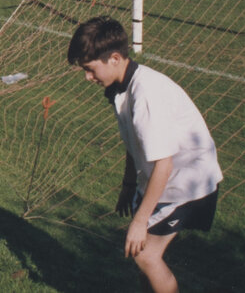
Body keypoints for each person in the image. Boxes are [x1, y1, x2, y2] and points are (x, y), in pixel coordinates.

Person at [67, 16, 222, 293]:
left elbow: (164, 163)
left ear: (114, 58)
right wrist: (128, 184)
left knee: (145, 255)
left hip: (187, 183)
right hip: (161, 179)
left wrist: (140, 221)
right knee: (144, 257)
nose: (87, 77)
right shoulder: (119, 87)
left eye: (90, 69)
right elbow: (135, 144)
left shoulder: (146, 95)